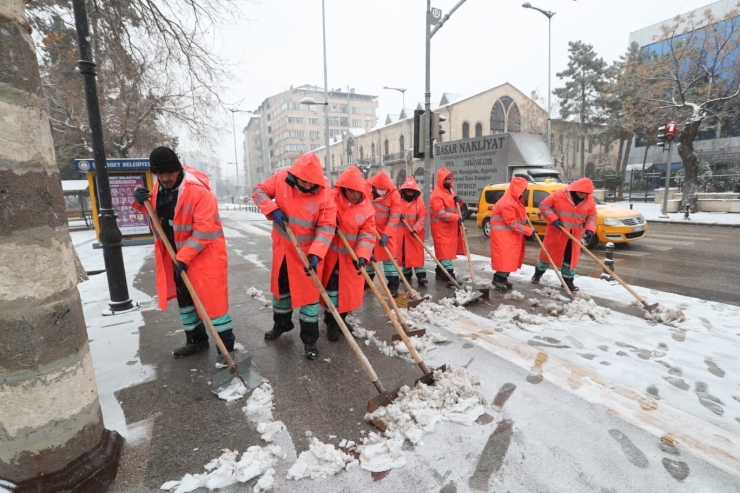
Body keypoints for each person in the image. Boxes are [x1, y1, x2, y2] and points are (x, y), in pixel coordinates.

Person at [132, 147, 236, 363]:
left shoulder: (199, 193)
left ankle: (225, 350)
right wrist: (141, 203)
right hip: (177, 257)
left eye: (169, 173)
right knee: (186, 301)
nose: (165, 178)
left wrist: (184, 257)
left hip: (205, 258)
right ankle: (196, 340)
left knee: (213, 305)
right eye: (159, 174)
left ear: (177, 170)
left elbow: (204, 230)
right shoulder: (160, 188)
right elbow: (160, 217)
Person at [252, 153, 337, 360]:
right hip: (283, 249)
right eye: (302, 182)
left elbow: (326, 227)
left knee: (310, 298)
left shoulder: (325, 193)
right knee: (281, 292)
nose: (306, 186)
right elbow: (258, 191)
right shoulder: (281, 179)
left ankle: (310, 340)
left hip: (308, 253)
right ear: (295, 175)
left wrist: (316, 253)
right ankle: (281, 324)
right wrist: (272, 209)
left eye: (311, 183)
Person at [321, 166, 376, 341]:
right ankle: (331, 323)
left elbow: (367, 234)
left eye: (357, 191)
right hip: (331, 258)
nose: (354, 194)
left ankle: (342, 320)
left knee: (347, 294)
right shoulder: (332, 199)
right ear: (344, 188)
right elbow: (322, 217)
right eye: (350, 190)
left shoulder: (366, 209)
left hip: (351, 259)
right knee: (332, 293)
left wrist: (363, 254)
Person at [531, 178, 597, 292]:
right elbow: (544, 206)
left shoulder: (589, 200)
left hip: (574, 235)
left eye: (585, 194)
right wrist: (554, 219)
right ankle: (537, 274)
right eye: (581, 193)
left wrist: (590, 229)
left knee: (570, 259)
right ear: (575, 189)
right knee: (547, 256)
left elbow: (592, 215)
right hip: (557, 232)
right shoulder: (560, 195)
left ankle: (568, 281)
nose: (583, 196)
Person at [488, 177, 535, 290]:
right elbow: (513, 224)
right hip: (503, 236)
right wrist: (528, 231)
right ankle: (498, 279)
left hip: (510, 236)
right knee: (505, 258)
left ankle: (503, 278)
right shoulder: (507, 203)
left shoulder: (515, 200)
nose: (524, 191)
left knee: (510, 258)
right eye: (522, 189)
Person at [365, 171, 402, 297]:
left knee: (389, 259)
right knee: (368, 256)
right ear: (374, 187)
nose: (382, 191)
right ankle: (367, 281)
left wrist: (387, 234)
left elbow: (394, 216)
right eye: (380, 189)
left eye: (384, 189)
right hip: (369, 229)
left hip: (387, 230)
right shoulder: (366, 189)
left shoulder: (393, 193)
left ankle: (393, 286)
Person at [429, 167, 465, 282]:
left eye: (449, 179)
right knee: (444, 252)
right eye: (446, 180)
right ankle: (449, 275)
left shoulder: (450, 190)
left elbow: (453, 205)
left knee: (446, 252)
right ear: (441, 180)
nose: (448, 182)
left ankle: (440, 273)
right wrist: (456, 218)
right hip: (441, 229)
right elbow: (440, 213)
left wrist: (459, 201)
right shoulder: (436, 195)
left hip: (450, 227)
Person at [396, 176, 427, 285]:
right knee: (404, 255)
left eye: (411, 191)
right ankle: (406, 274)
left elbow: (422, 218)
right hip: (402, 235)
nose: (409, 193)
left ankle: (421, 276)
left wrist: (416, 229)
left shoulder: (420, 202)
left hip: (414, 234)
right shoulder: (398, 201)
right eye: (407, 191)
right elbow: (393, 214)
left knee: (417, 255)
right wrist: (397, 216)